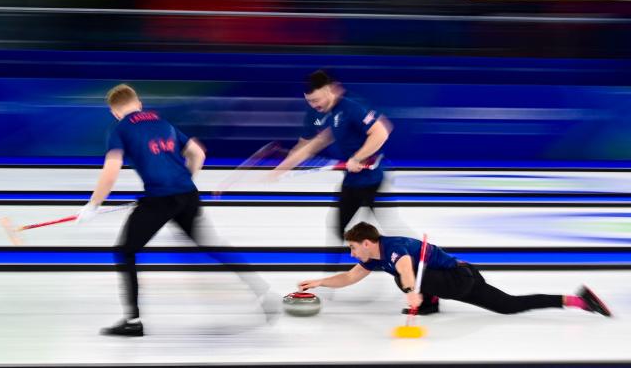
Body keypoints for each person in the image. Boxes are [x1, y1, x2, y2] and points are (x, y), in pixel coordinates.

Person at [77, 84, 273, 337]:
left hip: (160, 199)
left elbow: (111, 171)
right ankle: (262, 291)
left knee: (124, 251)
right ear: (139, 102)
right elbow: (198, 153)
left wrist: (93, 205)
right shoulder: (162, 121)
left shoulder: (120, 128)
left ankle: (133, 321)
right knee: (210, 245)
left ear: (115, 111)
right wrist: (183, 181)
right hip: (186, 195)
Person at [298, 222, 612, 318]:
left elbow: (406, 271)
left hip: (459, 278)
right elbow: (350, 276)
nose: (352, 254)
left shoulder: (394, 249)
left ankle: (429, 300)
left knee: (402, 280)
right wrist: (319, 282)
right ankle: (576, 300)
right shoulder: (372, 256)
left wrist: (412, 294)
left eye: (353, 248)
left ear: (367, 242)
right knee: (509, 306)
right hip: (450, 277)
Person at [272, 70, 392, 241]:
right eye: (309, 101)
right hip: (353, 178)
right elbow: (305, 147)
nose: (314, 105)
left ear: (330, 90)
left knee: (383, 231)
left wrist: (357, 158)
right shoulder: (316, 113)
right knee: (339, 229)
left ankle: (411, 258)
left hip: (372, 177)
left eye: (316, 100)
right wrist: (280, 169)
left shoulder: (351, 106)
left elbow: (382, 132)